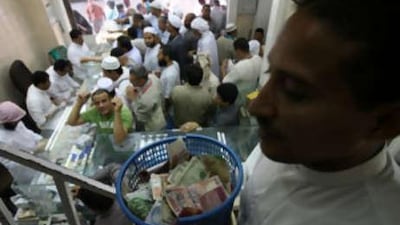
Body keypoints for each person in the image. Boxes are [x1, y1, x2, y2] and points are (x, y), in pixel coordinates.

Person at [239, 1, 400, 225]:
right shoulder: (284, 142)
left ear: (384, 121)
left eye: (294, 91)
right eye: (271, 72)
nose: (256, 107)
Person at [0, 101, 45, 185]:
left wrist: (41, 140)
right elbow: (9, 164)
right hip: (26, 171)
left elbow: (29, 134)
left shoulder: (17, 123)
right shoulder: (1, 139)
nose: (17, 123)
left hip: (40, 158)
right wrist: (32, 153)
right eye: (13, 122)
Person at [67, 89, 133, 144]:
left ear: (111, 100)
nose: (101, 105)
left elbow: (120, 139)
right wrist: (79, 103)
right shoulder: (95, 111)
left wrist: (117, 112)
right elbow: (72, 122)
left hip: (126, 145)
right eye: (97, 103)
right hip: (108, 145)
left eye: (104, 101)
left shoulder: (124, 112)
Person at [222, 38, 261, 107]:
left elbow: (225, 84)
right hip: (251, 95)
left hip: (239, 99)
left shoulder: (240, 66)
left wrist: (223, 69)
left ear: (238, 51)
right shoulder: (258, 59)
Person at [126, 65, 166, 131]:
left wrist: (133, 100)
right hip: (159, 111)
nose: (130, 83)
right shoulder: (152, 77)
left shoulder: (148, 99)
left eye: (132, 81)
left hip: (153, 126)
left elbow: (140, 117)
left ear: (141, 80)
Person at [158, 45, 180, 113]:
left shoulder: (170, 75)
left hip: (170, 110)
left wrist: (165, 111)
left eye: (159, 55)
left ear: (167, 57)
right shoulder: (174, 63)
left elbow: (167, 97)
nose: (157, 56)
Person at [166, 14, 185, 82]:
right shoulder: (171, 36)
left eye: (168, 23)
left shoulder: (180, 43)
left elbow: (182, 62)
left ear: (172, 27)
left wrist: (182, 78)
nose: (166, 25)